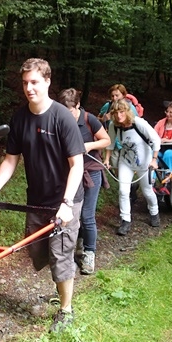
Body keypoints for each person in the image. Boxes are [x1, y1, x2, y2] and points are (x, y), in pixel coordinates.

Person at [0, 59, 85, 332]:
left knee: (60, 254)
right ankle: (61, 286)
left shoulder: (62, 117)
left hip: (65, 200)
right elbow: (10, 161)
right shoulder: (20, 118)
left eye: (34, 82)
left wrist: (67, 203)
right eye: (25, 83)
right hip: (37, 200)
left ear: (47, 82)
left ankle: (66, 311)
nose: (29, 88)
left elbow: (76, 164)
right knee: (38, 254)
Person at [57, 88, 110, 275]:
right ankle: (72, 249)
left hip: (91, 171)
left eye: (70, 111)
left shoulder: (89, 119)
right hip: (71, 172)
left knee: (87, 215)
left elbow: (106, 140)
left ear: (78, 106)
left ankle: (89, 253)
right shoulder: (60, 120)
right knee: (71, 213)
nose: (67, 115)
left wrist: (89, 145)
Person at [103, 99, 161, 235]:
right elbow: (110, 143)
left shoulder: (138, 123)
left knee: (147, 191)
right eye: (116, 112)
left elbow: (156, 139)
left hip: (144, 162)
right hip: (126, 161)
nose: (119, 116)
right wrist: (106, 159)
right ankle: (125, 220)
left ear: (127, 112)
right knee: (123, 191)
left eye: (122, 112)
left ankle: (154, 212)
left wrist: (154, 159)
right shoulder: (114, 125)